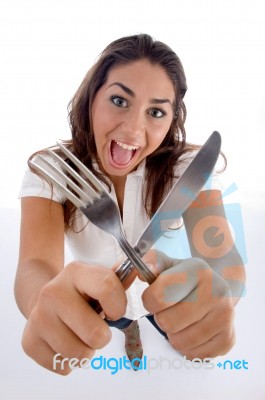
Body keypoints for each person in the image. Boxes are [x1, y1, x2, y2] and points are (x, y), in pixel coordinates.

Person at [15, 33, 245, 375]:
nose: (134, 129)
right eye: (120, 101)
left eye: (155, 111)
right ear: (91, 98)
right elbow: (34, 264)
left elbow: (223, 260)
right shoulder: (52, 171)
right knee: (121, 318)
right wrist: (42, 302)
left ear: (170, 122)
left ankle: (156, 324)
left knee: (161, 314)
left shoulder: (187, 170)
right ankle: (129, 330)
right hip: (98, 304)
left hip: (166, 298)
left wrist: (217, 296)